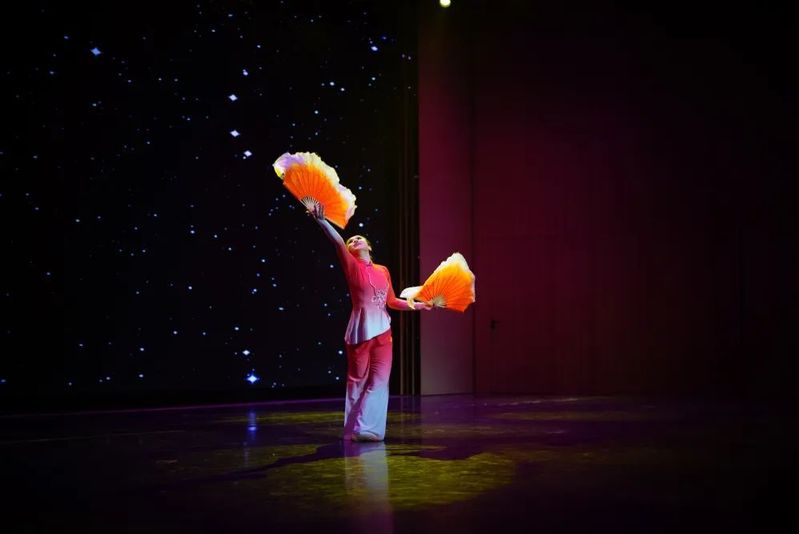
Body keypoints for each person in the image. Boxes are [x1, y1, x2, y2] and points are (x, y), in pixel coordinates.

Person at [307, 201, 431, 442]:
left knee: (380, 380)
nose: (354, 240)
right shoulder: (352, 266)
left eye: (359, 238)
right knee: (357, 381)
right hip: (360, 331)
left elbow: (392, 301)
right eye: (351, 241)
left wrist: (418, 305)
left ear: (369, 246)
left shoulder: (383, 270)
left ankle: (369, 429)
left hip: (383, 331)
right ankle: (352, 430)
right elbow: (337, 241)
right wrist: (321, 220)